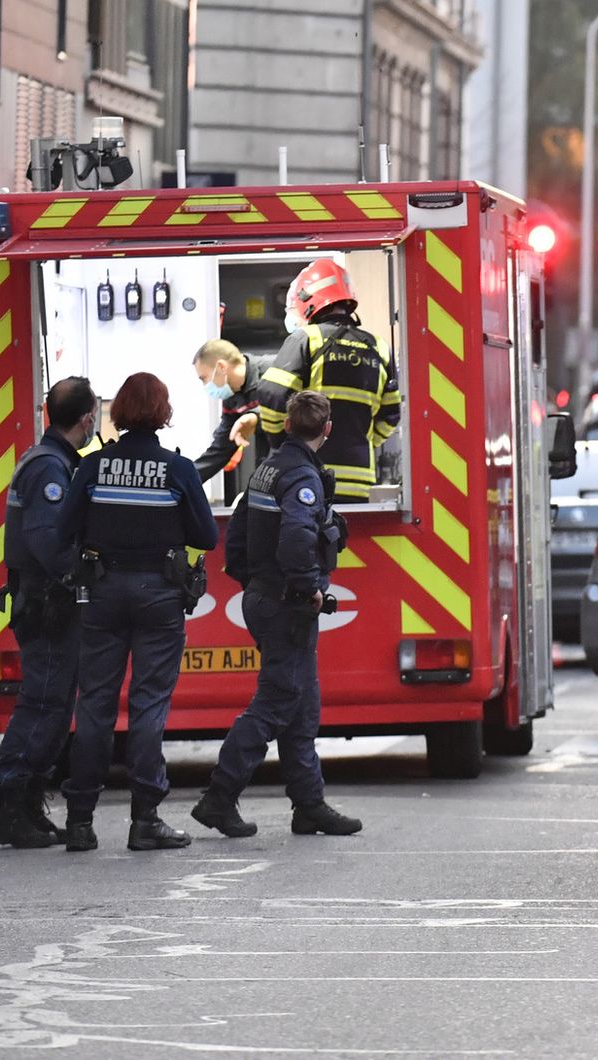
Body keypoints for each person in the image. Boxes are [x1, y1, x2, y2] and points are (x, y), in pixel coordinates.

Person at [57, 372, 219, 852]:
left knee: (96, 704)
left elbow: (64, 528)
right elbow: (206, 537)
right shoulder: (177, 469)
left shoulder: (92, 466)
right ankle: (145, 820)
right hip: (159, 594)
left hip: (102, 591)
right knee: (149, 703)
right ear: (163, 412)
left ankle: (80, 822)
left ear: (118, 410)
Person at [193, 391, 361, 840]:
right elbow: (295, 539)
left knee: (301, 706)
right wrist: (307, 588)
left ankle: (309, 806)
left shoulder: (267, 468)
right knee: (275, 704)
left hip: (266, 597)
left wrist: (252, 581)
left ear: (287, 425)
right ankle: (219, 797)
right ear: (326, 430)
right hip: (286, 604)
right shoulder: (302, 476)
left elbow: (239, 529)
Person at [0, 377, 99, 849]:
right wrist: (84, 574)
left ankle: (27, 804)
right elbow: (48, 542)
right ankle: (11, 803)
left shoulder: (52, 461)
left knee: (51, 703)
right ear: (87, 419)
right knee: (44, 703)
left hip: (46, 602)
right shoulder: (50, 469)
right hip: (48, 605)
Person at [256, 259, 401, 502]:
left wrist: (281, 442)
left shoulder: (306, 339)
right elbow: (391, 414)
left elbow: (272, 394)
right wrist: (362, 441)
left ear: (307, 301)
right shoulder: (379, 347)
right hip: (359, 483)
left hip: (307, 476)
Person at [191, 339, 275, 488]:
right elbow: (221, 448)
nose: (205, 386)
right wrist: (184, 479)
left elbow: (294, 407)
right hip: (269, 469)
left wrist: (256, 416)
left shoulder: (275, 369)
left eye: (204, 378)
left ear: (221, 367)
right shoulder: (232, 397)